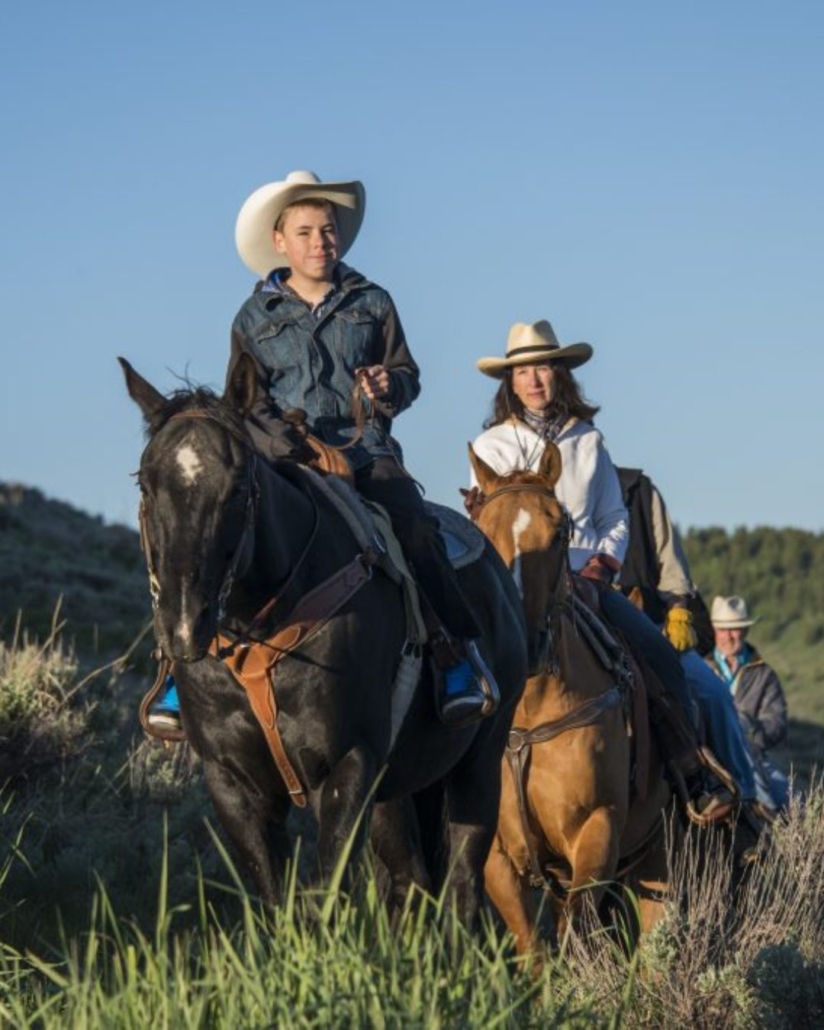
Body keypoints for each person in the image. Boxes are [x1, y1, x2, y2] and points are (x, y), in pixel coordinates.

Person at [149, 170, 495, 731]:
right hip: (281, 458)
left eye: (328, 230)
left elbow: (407, 373)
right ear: (280, 241)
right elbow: (247, 400)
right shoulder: (251, 318)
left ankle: (457, 655)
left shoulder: (373, 301)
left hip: (367, 450)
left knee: (414, 529)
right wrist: (297, 448)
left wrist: (391, 386)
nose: (320, 242)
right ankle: (173, 670)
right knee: (205, 528)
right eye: (306, 232)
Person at [466, 319, 729, 816]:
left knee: (657, 655)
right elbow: (486, 525)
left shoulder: (588, 441)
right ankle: (450, 784)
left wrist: (601, 567)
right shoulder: (489, 448)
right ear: (510, 382)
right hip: (516, 583)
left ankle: (691, 771)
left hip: (586, 579)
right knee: (459, 663)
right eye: (522, 372)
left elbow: (613, 517)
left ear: (560, 374)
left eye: (543, 367)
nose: (534, 380)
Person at [616, 468, 767, 818]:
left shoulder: (638, 491)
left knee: (713, 695)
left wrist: (679, 609)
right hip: (574, 620)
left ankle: (740, 806)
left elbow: (671, 564)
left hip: (649, 622)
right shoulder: (544, 488)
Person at [707, 595, 790, 811]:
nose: (729, 636)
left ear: (745, 631)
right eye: (723, 629)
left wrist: (749, 733)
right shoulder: (701, 670)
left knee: (794, 801)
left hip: (755, 757)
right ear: (715, 631)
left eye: (735, 629)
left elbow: (777, 721)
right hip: (710, 760)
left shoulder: (764, 674)